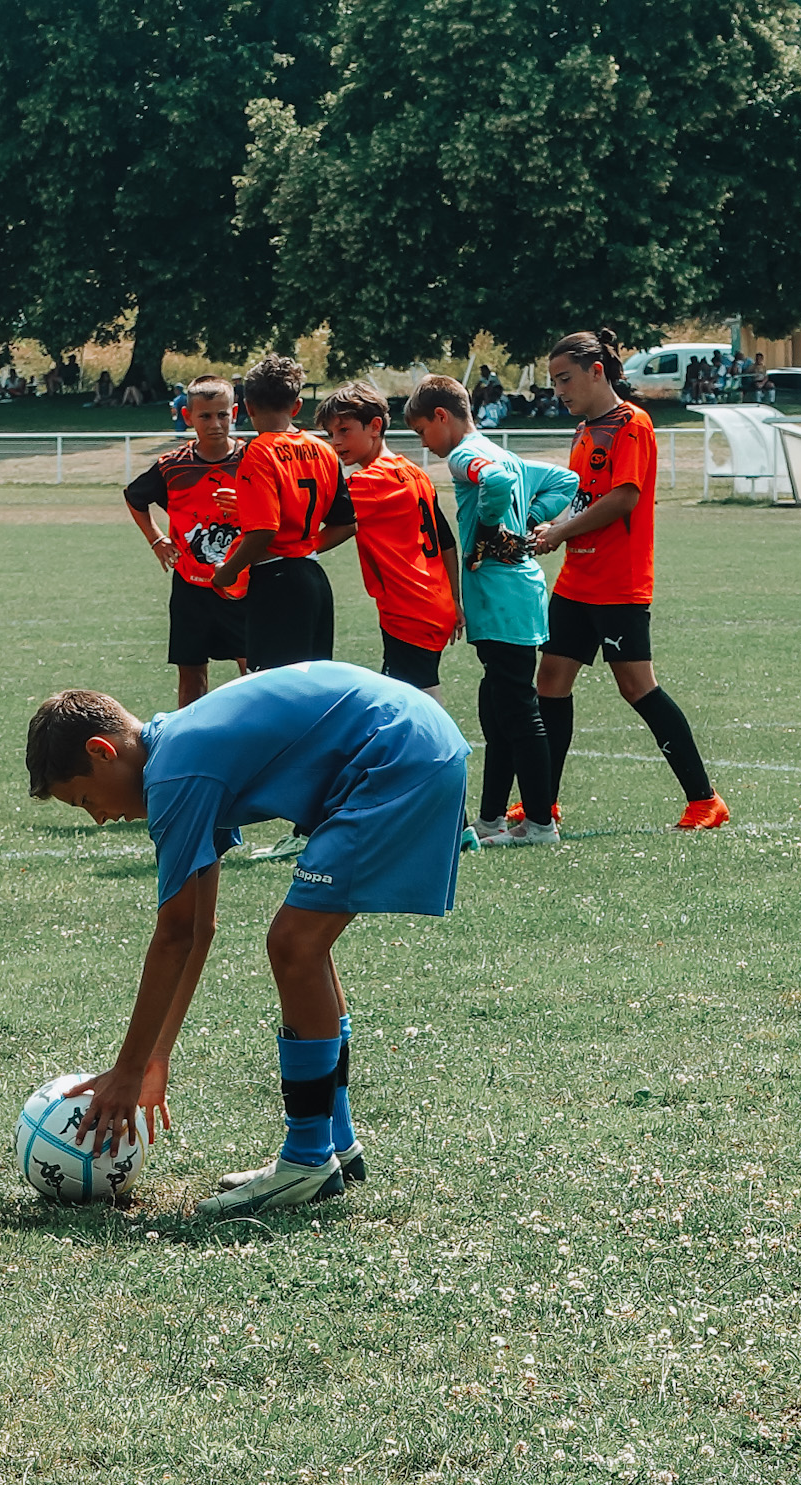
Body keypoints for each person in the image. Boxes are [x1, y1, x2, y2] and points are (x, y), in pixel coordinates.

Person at [26, 662, 470, 1216]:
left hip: (398, 752)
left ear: (101, 752)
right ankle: (336, 1146)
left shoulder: (175, 775)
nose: (97, 818)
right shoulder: (178, 756)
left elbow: (174, 935)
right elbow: (199, 929)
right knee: (303, 945)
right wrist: (158, 1054)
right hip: (407, 741)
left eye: (85, 800)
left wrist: (129, 1070)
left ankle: (308, 1159)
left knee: (294, 943)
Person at [532, 329, 730, 831]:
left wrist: (559, 534)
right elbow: (585, 498)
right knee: (550, 682)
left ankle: (704, 800)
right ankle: (542, 803)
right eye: (554, 381)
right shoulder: (583, 430)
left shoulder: (631, 424)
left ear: (597, 371)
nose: (559, 390)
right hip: (577, 579)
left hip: (619, 584)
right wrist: (552, 526)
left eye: (565, 379)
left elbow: (624, 498)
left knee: (637, 686)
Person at [404, 374, 556, 847]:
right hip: (517, 592)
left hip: (500, 594)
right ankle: (490, 819)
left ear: (442, 417)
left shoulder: (467, 454)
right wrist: (528, 523)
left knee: (517, 709)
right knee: (496, 709)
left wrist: (491, 530)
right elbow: (562, 480)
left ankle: (538, 824)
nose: (425, 445)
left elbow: (496, 481)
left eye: (422, 432)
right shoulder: (500, 448)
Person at [212, 354, 353, 862]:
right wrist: (304, 547)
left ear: (246, 407)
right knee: (316, 703)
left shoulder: (258, 453)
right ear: (297, 404)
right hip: (312, 580)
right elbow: (343, 523)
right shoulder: (322, 451)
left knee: (281, 705)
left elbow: (265, 531)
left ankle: (301, 823)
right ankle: (314, 819)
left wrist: (227, 570)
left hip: (276, 583)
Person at [312, 381, 463, 700]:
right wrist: (455, 601)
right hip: (433, 599)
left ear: (375, 426)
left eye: (344, 430)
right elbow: (446, 540)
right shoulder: (414, 472)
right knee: (403, 691)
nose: (336, 442)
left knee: (416, 698)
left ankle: (441, 751)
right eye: (330, 434)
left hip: (410, 607)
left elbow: (312, 517)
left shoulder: (369, 482)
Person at [123, 375, 249, 709]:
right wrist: (157, 539)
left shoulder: (253, 460)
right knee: (191, 675)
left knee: (253, 672)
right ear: (187, 417)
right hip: (191, 586)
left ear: (234, 412)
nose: (215, 423)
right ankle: (191, 743)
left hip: (244, 584)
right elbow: (135, 497)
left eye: (222, 414)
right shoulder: (172, 466)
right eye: (205, 416)